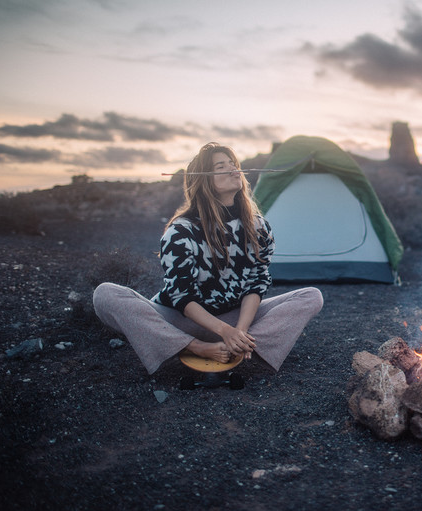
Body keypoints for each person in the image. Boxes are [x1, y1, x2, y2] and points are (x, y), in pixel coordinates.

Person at [93, 142, 323, 375]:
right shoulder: (181, 232)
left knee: (311, 296)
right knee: (105, 294)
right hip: (180, 320)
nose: (234, 169)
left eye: (234, 164)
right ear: (204, 181)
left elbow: (257, 281)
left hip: (235, 317)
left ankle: (242, 347)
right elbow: (181, 296)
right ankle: (196, 348)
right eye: (221, 166)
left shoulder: (258, 226)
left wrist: (239, 331)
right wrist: (224, 331)